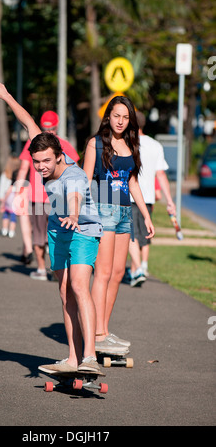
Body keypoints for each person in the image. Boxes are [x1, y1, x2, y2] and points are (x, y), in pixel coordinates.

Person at [0, 82, 103, 374]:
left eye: (46, 161)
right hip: (57, 230)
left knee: (79, 286)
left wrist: (74, 215)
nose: (40, 167)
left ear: (60, 156)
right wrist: (7, 96)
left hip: (83, 229)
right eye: (36, 162)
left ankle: (90, 357)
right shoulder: (43, 147)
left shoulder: (73, 174)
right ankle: (73, 358)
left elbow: (75, 195)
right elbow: (28, 122)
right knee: (65, 293)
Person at [83, 95, 155, 354]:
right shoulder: (96, 144)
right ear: (108, 116)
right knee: (102, 273)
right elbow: (85, 180)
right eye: (117, 116)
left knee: (117, 274)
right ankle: (96, 334)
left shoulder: (130, 144)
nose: (121, 121)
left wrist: (146, 216)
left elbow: (132, 182)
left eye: (126, 117)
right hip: (103, 210)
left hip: (125, 212)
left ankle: (104, 329)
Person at [17, 110, 80, 280]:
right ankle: (57, 268)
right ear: (57, 125)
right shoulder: (64, 145)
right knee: (58, 234)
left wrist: (18, 191)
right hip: (59, 198)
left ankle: (41, 269)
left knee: (38, 235)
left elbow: (23, 168)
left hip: (38, 197)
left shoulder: (32, 143)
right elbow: (76, 170)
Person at [128, 111, 176, 286]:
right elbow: (161, 174)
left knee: (131, 234)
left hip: (130, 196)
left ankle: (137, 269)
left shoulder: (127, 143)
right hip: (147, 197)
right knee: (145, 232)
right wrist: (169, 201)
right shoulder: (155, 145)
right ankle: (141, 266)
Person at [0, 153, 21, 238]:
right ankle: (11, 231)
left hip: (6, 197)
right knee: (13, 216)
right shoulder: (19, 175)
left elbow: (2, 186)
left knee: (5, 214)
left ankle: (4, 229)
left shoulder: (5, 174)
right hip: (15, 197)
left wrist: (1, 197)